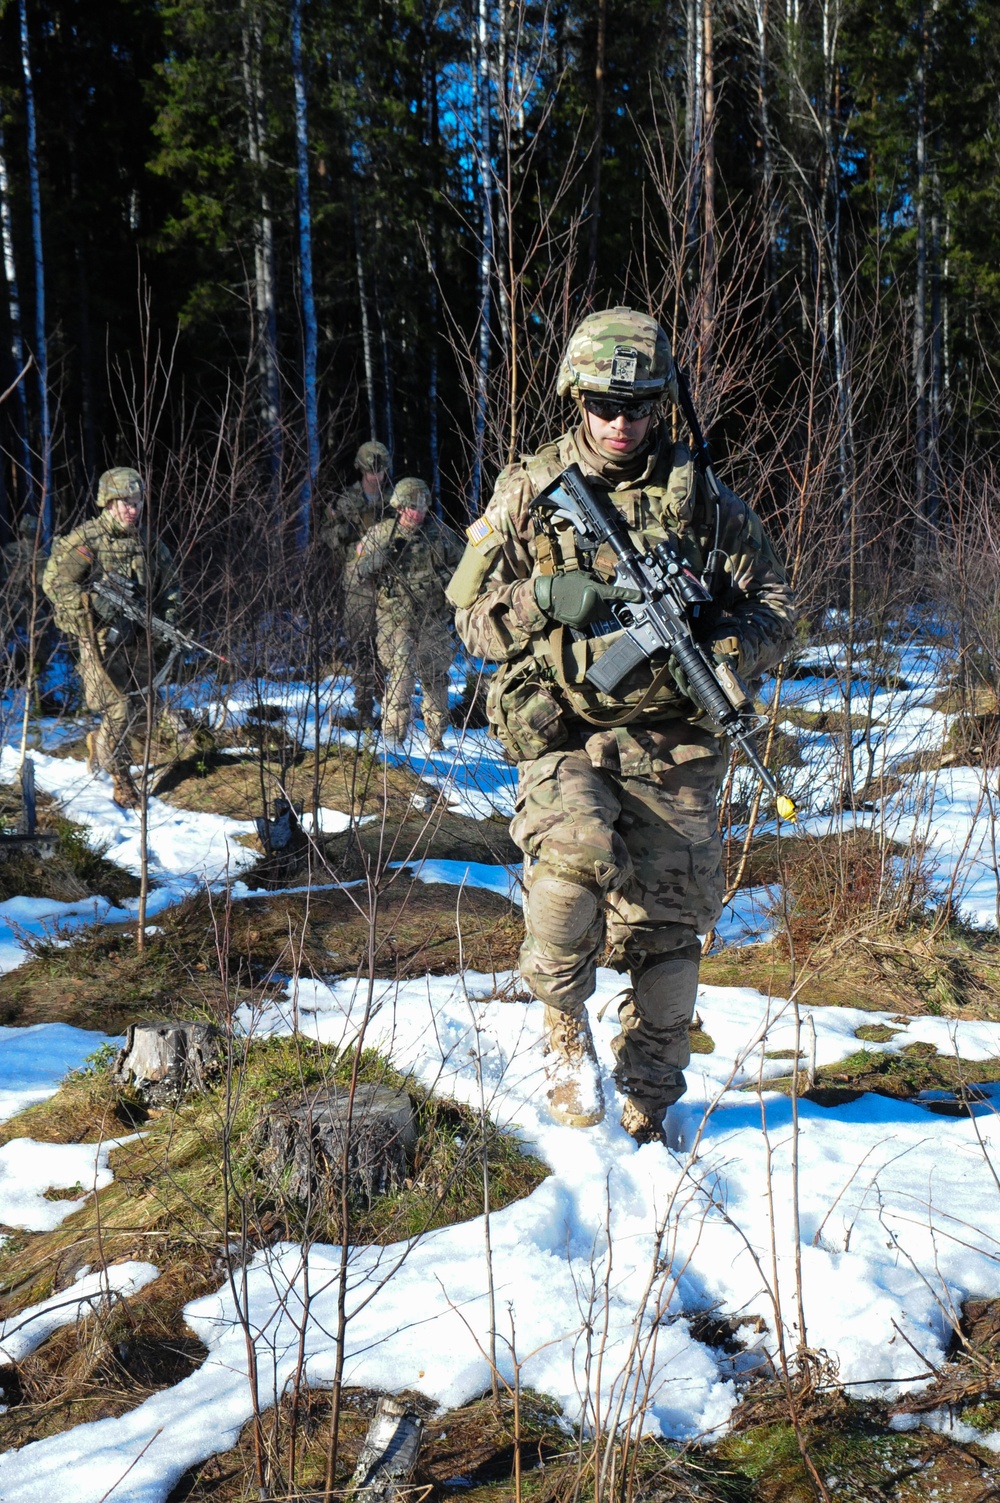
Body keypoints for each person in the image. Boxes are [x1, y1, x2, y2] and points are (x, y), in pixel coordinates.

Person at [447, 306, 796, 1143]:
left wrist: (723, 645)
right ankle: (564, 1028)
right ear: (577, 398)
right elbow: (468, 614)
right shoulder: (529, 491)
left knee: (671, 946)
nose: (620, 423)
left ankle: (648, 1093)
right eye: (605, 404)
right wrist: (540, 600)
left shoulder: (704, 499)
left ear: (660, 405)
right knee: (572, 867)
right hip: (564, 726)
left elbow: (777, 606)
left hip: (675, 741)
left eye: (637, 407)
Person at [42, 467, 179, 809]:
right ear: (107, 503)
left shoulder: (148, 543)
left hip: (137, 639)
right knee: (118, 708)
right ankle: (122, 780)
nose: (131, 509)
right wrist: (93, 605)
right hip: (98, 640)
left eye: (136, 501)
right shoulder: (86, 541)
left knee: (140, 710)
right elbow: (54, 585)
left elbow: (170, 588)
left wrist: (168, 621)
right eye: (124, 502)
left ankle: (99, 743)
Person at [354, 476, 464, 750]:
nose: (420, 512)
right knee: (401, 678)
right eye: (414, 506)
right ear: (400, 507)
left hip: (433, 618)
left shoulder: (440, 534)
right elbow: (357, 573)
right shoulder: (381, 535)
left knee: (436, 678)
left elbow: (464, 569)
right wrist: (374, 561)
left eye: (424, 506)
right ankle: (393, 741)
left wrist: (448, 581)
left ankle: (436, 739)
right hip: (396, 619)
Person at [321, 439, 392, 727]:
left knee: (389, 648)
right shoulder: (347, 501)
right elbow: (327, 538)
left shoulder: (396, 499)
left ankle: (389, 704)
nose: (377, 475)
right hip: (357, 584)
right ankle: (364, 709)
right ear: (362, 470)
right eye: (372, 470)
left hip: (390, 581)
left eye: (381, 470)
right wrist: (344, 531)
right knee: (363, 648)